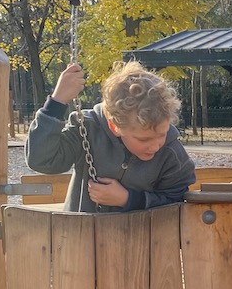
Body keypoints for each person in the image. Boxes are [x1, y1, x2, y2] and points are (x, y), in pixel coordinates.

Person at [26, 60, 195, 212]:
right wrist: (57, 102)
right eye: (144, 139)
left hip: (142, 241)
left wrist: (129, 199)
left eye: (162, 134)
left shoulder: (171, 153)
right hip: (81, 237)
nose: (155, 145)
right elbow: (42, 161)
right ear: (114, 126)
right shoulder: (88, 128)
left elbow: (178, 203)